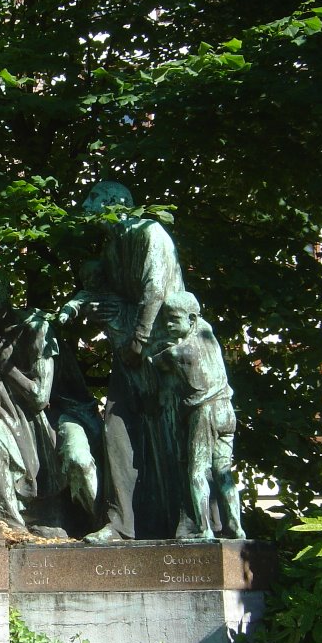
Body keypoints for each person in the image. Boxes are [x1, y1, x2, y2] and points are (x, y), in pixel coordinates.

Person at [58, 181, 186, 543]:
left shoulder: (150, 234)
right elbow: (109, 296)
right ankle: (119, 524)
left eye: (94, 205)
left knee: (169, 437)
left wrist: (139, 340)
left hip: (162, 352)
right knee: (117, 429)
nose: (90, 215)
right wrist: (97, 309)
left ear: (115, 205)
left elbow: (156, 291)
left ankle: (183, 523)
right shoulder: (113, 247)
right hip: (129, 352)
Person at [149, 292, 246, 539]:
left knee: (197, 470)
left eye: (173, 319)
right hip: (227, 410)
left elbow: (155, 361)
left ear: (191, 319)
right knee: (223, 470)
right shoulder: (206, 332)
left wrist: (159, 349)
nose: (167, 325)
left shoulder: (181, 353)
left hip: (206, 413)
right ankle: (236, 527)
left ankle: (204, 529)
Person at [0, 280, 65, 534]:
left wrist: (6, 365)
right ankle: (11, 525)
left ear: (8, 291)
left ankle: (28, 521)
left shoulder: (36, 329)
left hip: (29, 421)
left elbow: (39, 397)